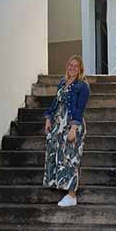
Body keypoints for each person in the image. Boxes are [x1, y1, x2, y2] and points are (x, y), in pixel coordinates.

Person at [43, 55, 90, 207]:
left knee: (71, 158)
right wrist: (48, 118)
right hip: (58, 126)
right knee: (57, 156)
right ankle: (60, 186)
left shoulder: (82, 85)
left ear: (80, 69)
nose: (72, 68)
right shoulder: (63, 83)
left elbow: (79, 108)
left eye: (76, 66)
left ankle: (71, 195)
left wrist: (74, 128)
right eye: (70, 65)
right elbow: (55, 102)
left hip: (71, 125)